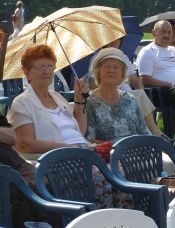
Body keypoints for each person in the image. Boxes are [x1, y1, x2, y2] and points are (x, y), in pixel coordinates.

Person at [7, 44, 115, 208]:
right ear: (27, 72)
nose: (47, 71)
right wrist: (65, 147)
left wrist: (79, 100)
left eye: (50, 66)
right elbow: (25, 144)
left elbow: (79, 130)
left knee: (123, 171)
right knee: (105, 179)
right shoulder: (22, 103)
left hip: (82, 151)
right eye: (41, 67)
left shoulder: (57, 97)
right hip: (58, 160)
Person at [87, 38, 166, 139]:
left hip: (137, 149)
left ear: (122, 74)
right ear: (98, 72)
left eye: (116, 67)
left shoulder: (131, 100)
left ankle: (157, 134)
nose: (111, 70)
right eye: (107, 66)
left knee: (140, 95)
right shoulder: (91, 102)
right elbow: (90, 139)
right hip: (109, 151)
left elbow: (144, 133)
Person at [136, 20, 175, 136]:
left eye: (169, 32)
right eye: (163, 32)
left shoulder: (173, 51)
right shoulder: (148, 51)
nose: (167, 35)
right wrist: (169, 85)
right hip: (159, 91)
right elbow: (144, 79)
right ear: (154, 33)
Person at [0, 115, 59, 227]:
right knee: (18, 192)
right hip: (5, 172)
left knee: (46, 184)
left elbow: (12, 136)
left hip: (15, 163)